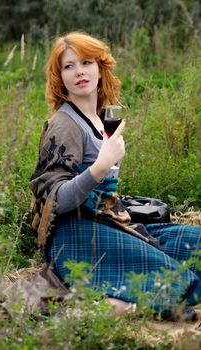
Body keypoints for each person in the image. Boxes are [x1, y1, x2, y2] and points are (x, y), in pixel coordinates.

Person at [29, 31, 201, 320]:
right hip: (76, 236)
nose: (79, 71)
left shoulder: (101, 118)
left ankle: (121, 298)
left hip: (111, 224)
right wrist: (100, 166)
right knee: (177, 283)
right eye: (69, 66)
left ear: (100, 68)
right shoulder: (64, 125)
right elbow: (54, 200)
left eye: (86, 62)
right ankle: (90, 310)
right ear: (59, 77)